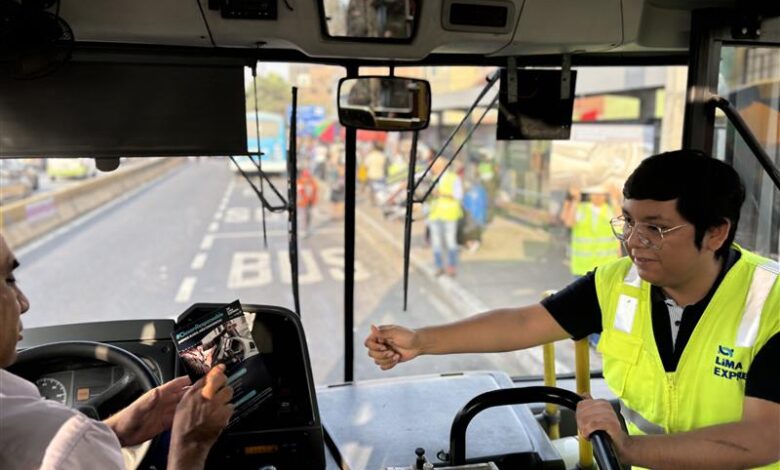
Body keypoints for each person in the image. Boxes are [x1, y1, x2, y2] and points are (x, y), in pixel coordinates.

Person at [365, 150, 779, 469]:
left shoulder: (772, 303)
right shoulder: (617, 282)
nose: (633, 241)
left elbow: (763, 437)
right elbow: (526, 321)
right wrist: (421, 341)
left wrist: (630, 448)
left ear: (716, 232)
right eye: (629, 222)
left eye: (656, 228)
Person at [0, 234, 234, 470]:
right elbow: (68, 451)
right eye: (8, 280)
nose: (23, 303)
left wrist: (114, 431)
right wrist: (192, 445)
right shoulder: (67, 444)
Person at [560, 184, 623, 277]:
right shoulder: (580, 208)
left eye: (601, 193)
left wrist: (615, 199)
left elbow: (621, 226)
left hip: (606, 269)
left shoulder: (611, 210)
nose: (598, 196)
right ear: (589, 194)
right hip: (583, 269)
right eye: (594, 193)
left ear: (606, 195)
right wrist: (575, 199)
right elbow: (569, 222)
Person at [426, 158, 463, 277]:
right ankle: (439, 266)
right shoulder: (431, 179)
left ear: (441, 166)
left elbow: (458, 195)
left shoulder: (453, 178)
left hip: (449, 215)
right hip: (434, 214)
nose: (432, 167)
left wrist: (441, 193)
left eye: (434, 165)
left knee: (450, 242)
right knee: (436, 243)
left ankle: (451, 267)